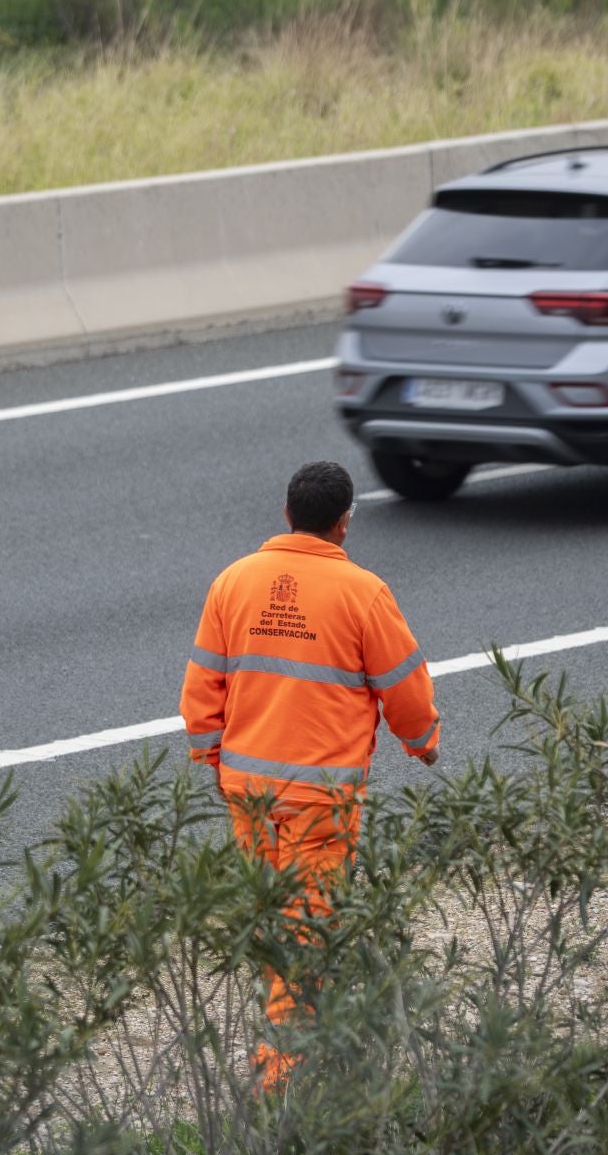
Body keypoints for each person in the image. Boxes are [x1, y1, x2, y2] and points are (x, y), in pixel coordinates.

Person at [179, 460, 442, 1089]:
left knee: (270, 921)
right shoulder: (363, 593)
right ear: (345, 523)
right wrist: (422, 742)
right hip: (317, 798)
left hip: (248, 792)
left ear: (286, 511)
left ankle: (294, 1048)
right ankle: (285, 1085)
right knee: (305, 934)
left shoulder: (233, 582)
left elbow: (201, 688)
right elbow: (403, 687)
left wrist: (213, 761)